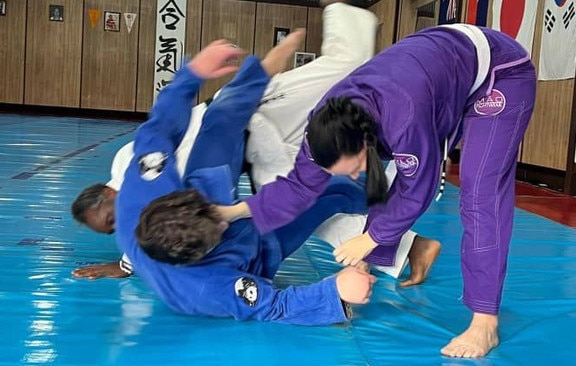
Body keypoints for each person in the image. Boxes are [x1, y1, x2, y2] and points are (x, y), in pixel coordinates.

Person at [217, 24, 537, 357]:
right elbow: (298, 186)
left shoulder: (405, 114)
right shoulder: (321, 131)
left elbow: (418, 186)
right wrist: (235, 211)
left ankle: (485, 323)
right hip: (438, 70)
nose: (354, 172)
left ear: (367, 142)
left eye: (356, 162)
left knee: (479, 194)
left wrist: (368, 239)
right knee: (369, 181)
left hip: (500, 73)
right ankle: (370, 264)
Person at [71, 0, 440, 282]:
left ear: (108, 193)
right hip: (251, 149)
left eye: (110, 218)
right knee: (297, 203)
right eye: (112, 229)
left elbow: (170, 126)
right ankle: (407, 245)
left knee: (345, 68)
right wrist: (124, 263)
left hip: (249, 117)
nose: (120, 224)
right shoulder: (140, 209)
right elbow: (157, 233)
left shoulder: (131, 166)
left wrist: (217, 74)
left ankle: (344, 7)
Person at [113, 30, 377, 325]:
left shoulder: (144, 191)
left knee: (222, 116)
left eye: (216, 217)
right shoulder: (205, 288)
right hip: (256, 249)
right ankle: (378, 193)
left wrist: (191, 75)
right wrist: (335, 291)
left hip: (202, 188)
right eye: (219, 228)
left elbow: (157, 131)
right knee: (327, 191)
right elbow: (273, 306)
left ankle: (260, 74)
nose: (227, 218)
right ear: (199, 254)